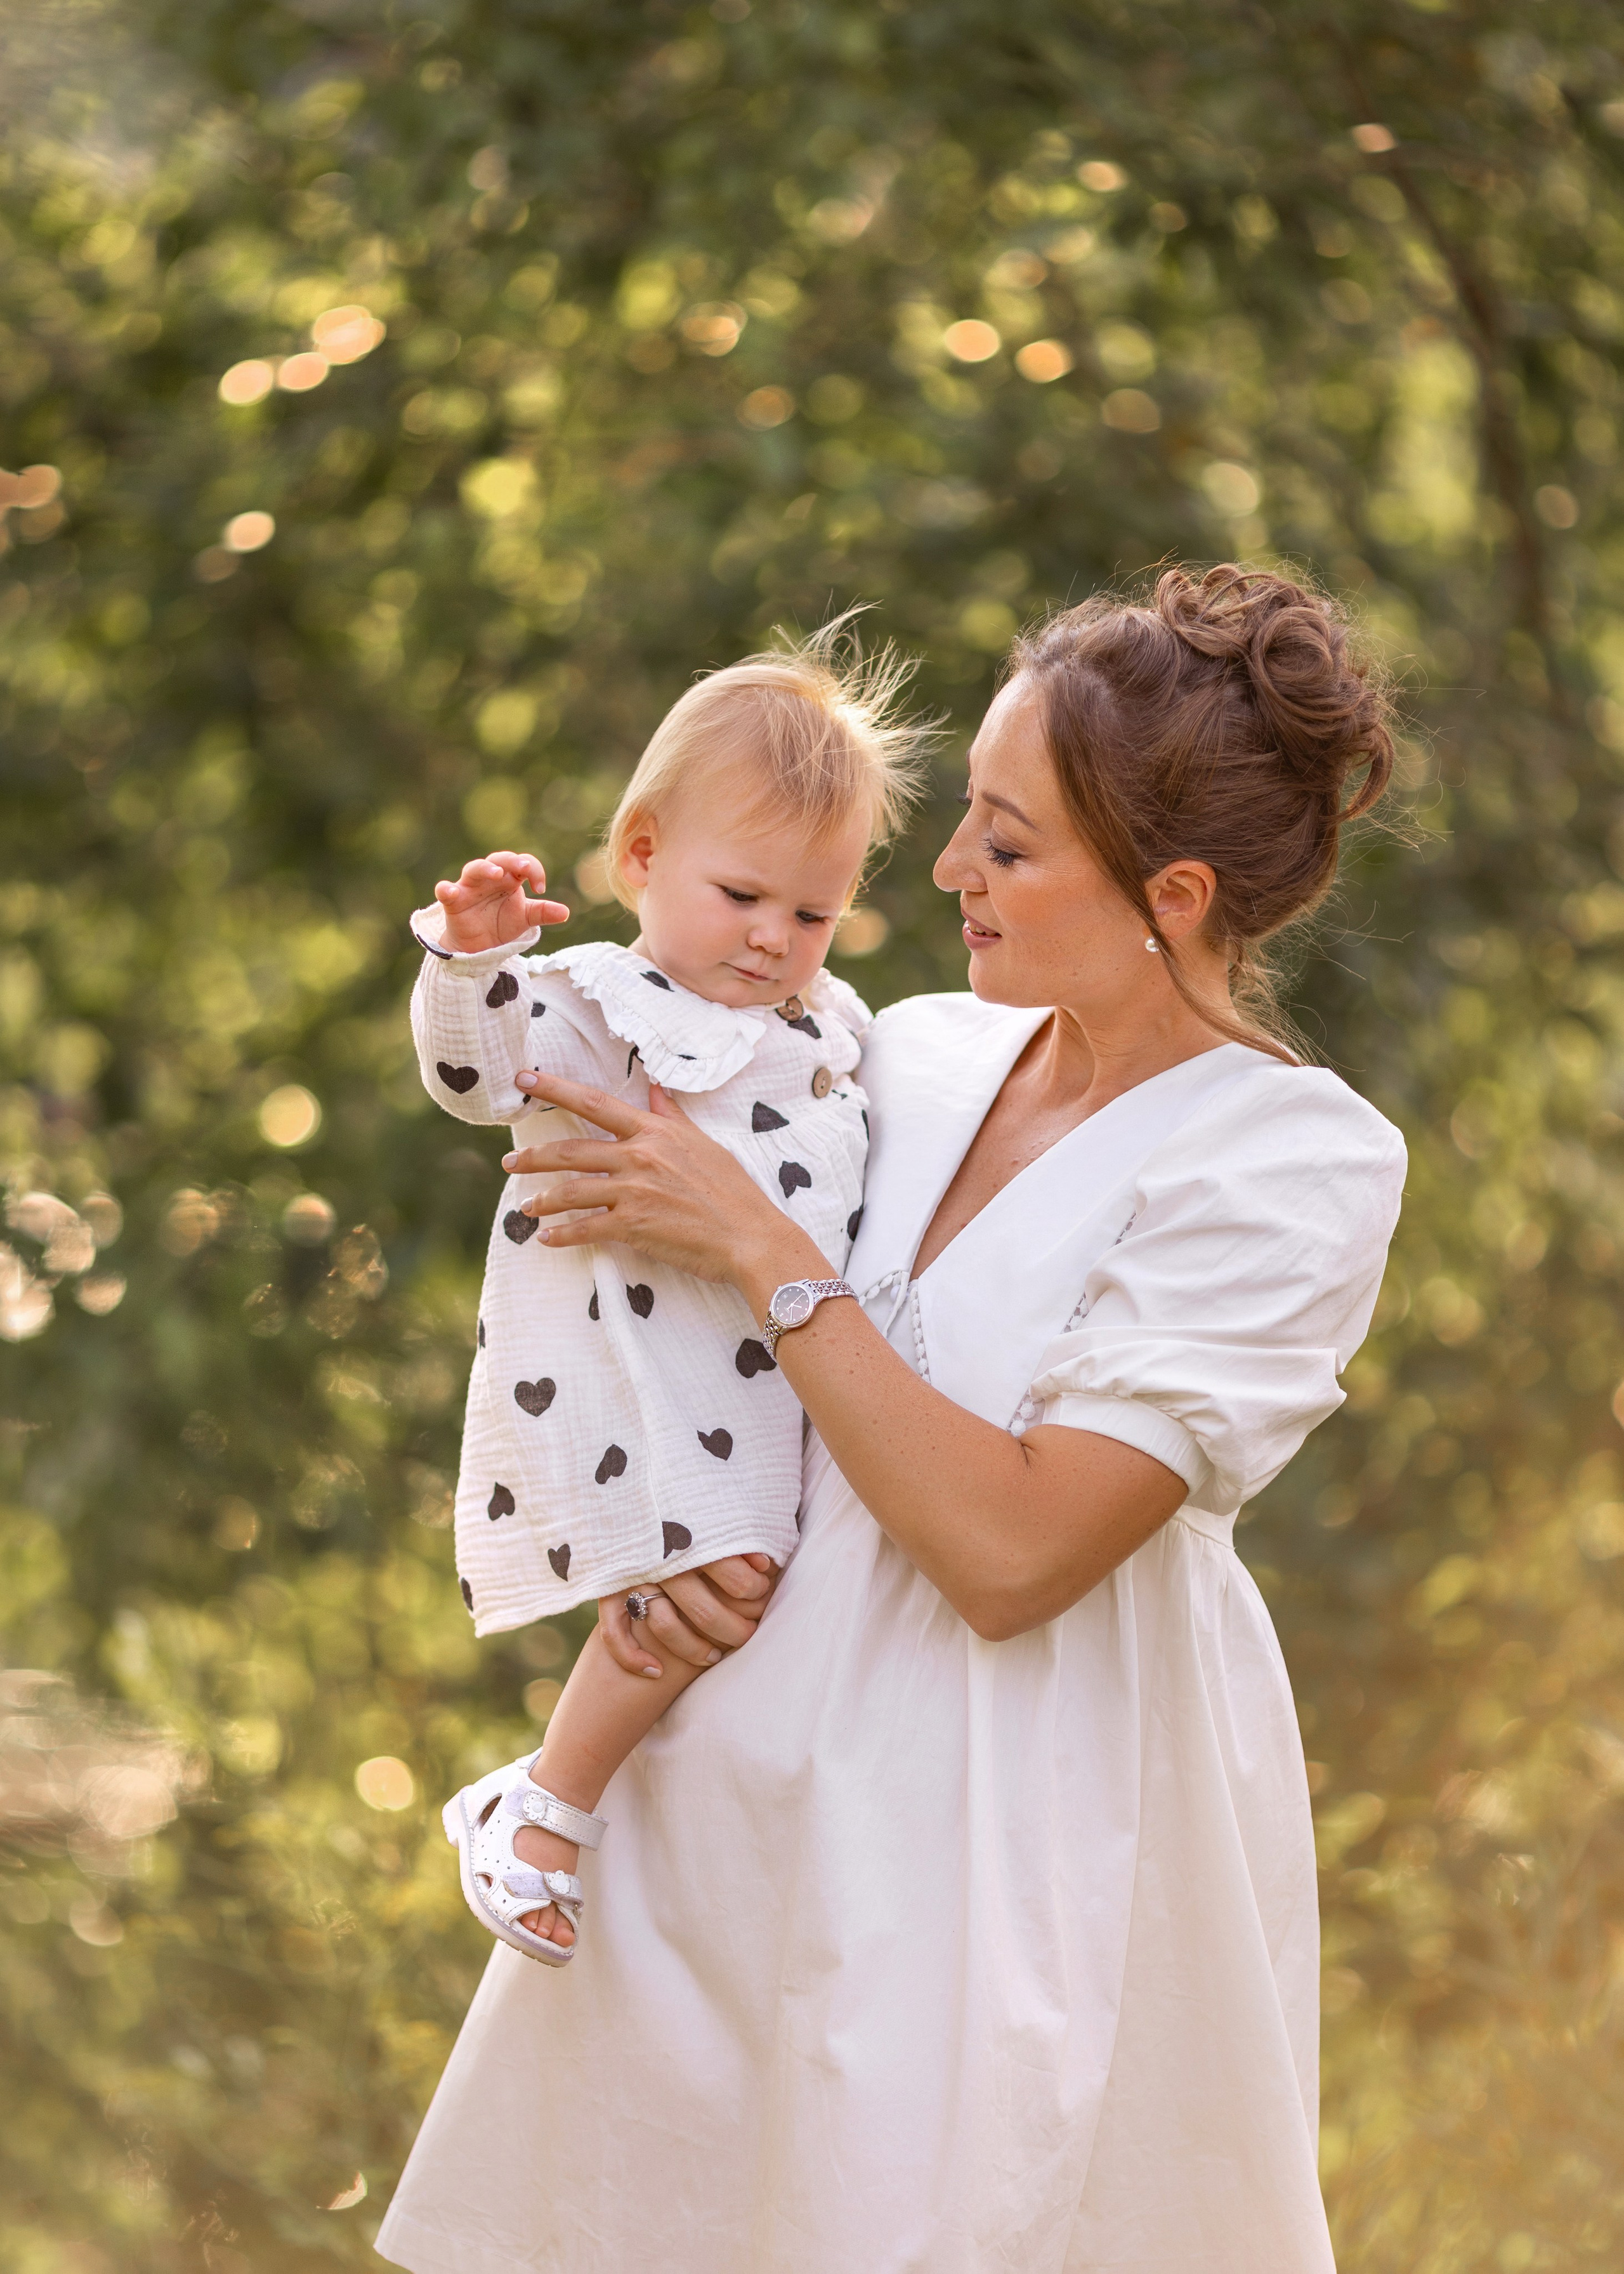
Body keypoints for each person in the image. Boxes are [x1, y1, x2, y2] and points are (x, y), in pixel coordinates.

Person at [376, 565, 1407, 2274]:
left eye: (1005, 843)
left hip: (999, 1863)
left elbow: (1014, 1553)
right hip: (717, 1817)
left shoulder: (1287, 1160)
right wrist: (656, 1539)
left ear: (1171, 895)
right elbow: (661, 1304)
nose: (943, 874)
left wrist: (760, 1247)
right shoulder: (894, 1054)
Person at [407, 628, 922, 1964]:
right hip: (649, 1377)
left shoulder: (833, 1026)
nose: (771, 938)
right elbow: (480, 1080)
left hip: (784, 1377)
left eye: (811, 914)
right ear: (640, 856)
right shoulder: (598, 1002)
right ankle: (543, 1806)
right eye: (741, 894)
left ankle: (666, 1860)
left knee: (767, 1604)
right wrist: (467, 966)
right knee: (716, 1585)